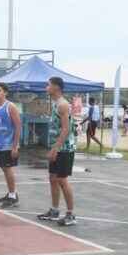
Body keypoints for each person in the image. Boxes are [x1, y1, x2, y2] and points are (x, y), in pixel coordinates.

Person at [37, 77, 77, 227]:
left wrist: (55, 148)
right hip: (56, 146)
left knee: (62, 180)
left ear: (56, 87)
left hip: (64, 148)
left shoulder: (63, 105)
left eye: (48, 85)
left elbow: (66, 129)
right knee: (53, 178)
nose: (46, 87)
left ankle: (71, 214)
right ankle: (54, 211)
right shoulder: (55, 104)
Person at [0, 82, 22, 209]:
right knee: (4, 168)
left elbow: (18, 126)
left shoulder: (10, 106)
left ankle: (13, 196)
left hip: (9, 144)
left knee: (8, 168)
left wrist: (15, 145)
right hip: (0, 144)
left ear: (5, 93)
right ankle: (11, 192)